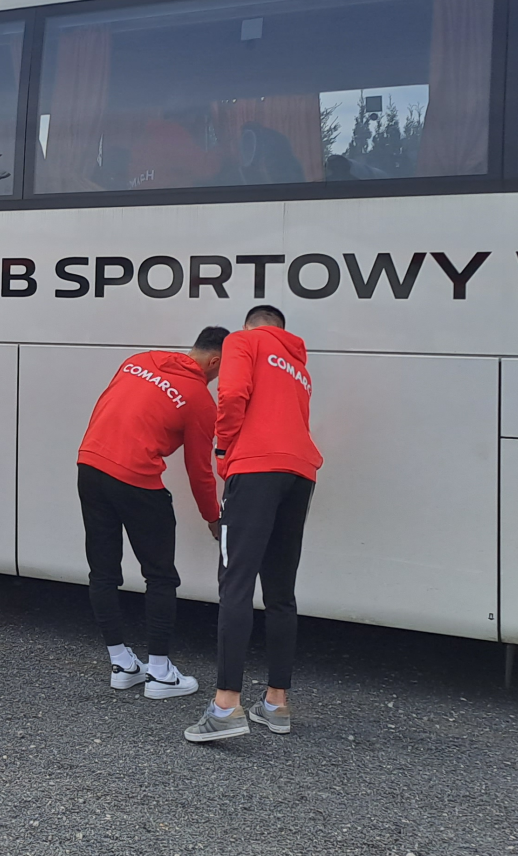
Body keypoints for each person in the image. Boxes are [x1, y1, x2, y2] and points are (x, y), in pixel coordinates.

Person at [185, 304, 322, 743]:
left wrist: (224, 451)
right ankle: (277, 704)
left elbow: (231, 395)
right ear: (282, 329)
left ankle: (226, 706)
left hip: (255, 468)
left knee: (236, 585)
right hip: (300, 472)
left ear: (248, 327)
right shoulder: (298, 365)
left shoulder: (242, 342)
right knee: (280, 592)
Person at [77, 326, 227, 700]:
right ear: (214, 361)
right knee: (160, 576)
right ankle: (160, 673)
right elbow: (199, 470)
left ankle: (121, 664)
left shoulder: (139, 360)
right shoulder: (200, 400)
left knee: (103, 571)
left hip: (90, 466)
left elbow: (107, 407)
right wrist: (213, 517)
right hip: (137, 480)